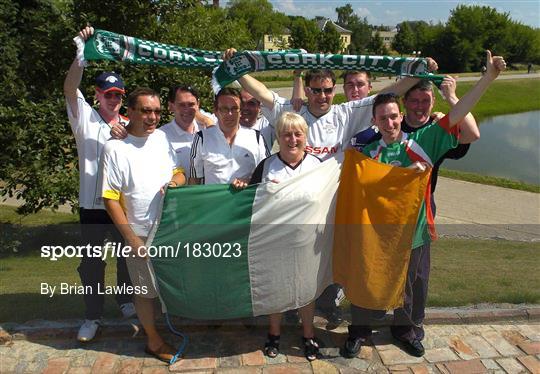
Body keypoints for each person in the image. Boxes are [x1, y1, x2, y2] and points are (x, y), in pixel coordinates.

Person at [225, 47, 437, 325]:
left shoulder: (345, 113)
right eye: (315, 90)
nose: (321, 96)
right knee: (293, 254)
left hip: (333, 202)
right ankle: (289, 304)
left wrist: (419, 69)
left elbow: (393, 91)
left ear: (334, 90)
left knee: (331, 259)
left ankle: (326, 306)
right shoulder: (292, 109)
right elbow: (263, 92)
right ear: (308, 90)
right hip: (296, 203)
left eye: (327, 90)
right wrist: (238, 69)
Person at [343, 50, 506, 359]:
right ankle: (359, 330)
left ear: (399, 117)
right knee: (365, 275)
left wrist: (488, 78)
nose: (390, 121)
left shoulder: (425, 140)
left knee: (413, 281)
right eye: (383, 117)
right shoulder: (362, 149)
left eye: (393, 116)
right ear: (375, 121)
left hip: (414, 229)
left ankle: (404, 330)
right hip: (373, 231)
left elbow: (463, 119)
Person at [101, 87, 185, 363]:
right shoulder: (114, 148)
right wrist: (131, 239)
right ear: (131, 112)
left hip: (168, 230)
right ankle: (153, 340)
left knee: (166, 287)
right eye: (146, 111)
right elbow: (110, 199)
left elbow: (179, 173)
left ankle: (162, 331)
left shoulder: (161, 138)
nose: (152, 117)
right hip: (138, 232)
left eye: (157, 111)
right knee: (144, 291)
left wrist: (174, 183)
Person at [64, 26, 134, 342]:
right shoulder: (85, 118)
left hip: (121, 205)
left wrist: (127, 136)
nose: (113, 99)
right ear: (97, 94)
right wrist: (81, 51)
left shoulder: (131, 126)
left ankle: (126, 300)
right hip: (92, 206)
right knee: (92, 263)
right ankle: (92, 316)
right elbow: (69, 88)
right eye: (108, 94)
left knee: (126, 257)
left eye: (118, 95)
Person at [244, 112, 322, 361]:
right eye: (286, 134)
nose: (292, 139)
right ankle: (274, 333)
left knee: (306, 290)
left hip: (306, 242)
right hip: (274, 242)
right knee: (276, 289)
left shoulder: (318, 165)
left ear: (305, 136)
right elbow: (251, 201)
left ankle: (308, 334)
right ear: (278, 136)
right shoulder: (267, 165)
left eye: (297, 133)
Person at [189, 87, 269, 185]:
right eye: (224, 109)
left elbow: (267, 173)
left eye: (234, 108)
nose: (230, 114)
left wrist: (249, 181)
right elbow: (194, 179)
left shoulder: (257, 137)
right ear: (216, 111)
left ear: (240, 111)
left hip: (246, 199)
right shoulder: (202, 138)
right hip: (214, 199)